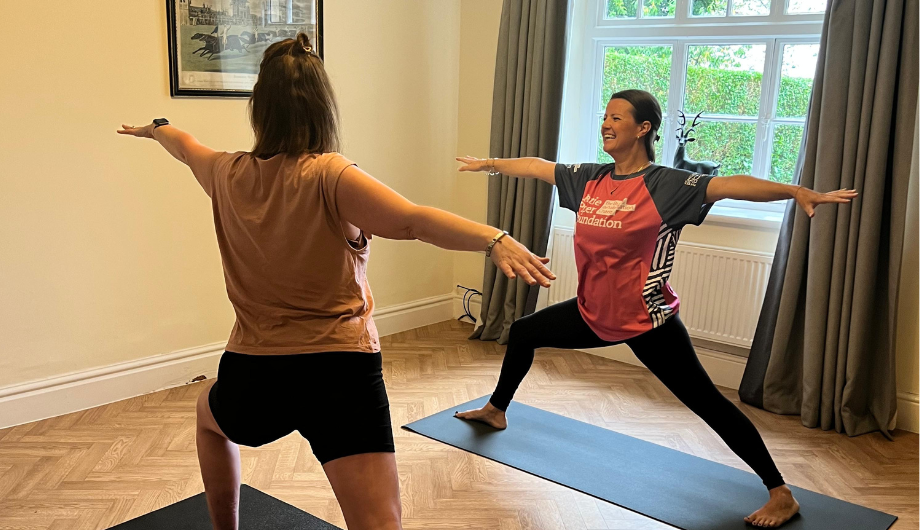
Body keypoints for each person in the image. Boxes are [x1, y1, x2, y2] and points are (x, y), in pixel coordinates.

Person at [118, 33, 555, 530]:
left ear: (259, 108)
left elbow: (184, 145)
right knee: (378, 523)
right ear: (323, 108)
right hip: (340, 371)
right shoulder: (330, 175)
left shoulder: (225, 172)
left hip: (257, 369)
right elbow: (412, 221)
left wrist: (156, 128)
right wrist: (493, 238)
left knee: (208, 417)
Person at [454, 89, 857, 529]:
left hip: (648, 322)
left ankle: (780, 492)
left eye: (617, 118)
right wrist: (488, 164)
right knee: (524, 332)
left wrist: (794, 191)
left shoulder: (668, 185)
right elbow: (536, 166)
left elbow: (729, 185)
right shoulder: (588, 178)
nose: (606, 124)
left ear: (644, 128)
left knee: (707, 403)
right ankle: (497, 410)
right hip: (592, 313)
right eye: (605, 116)